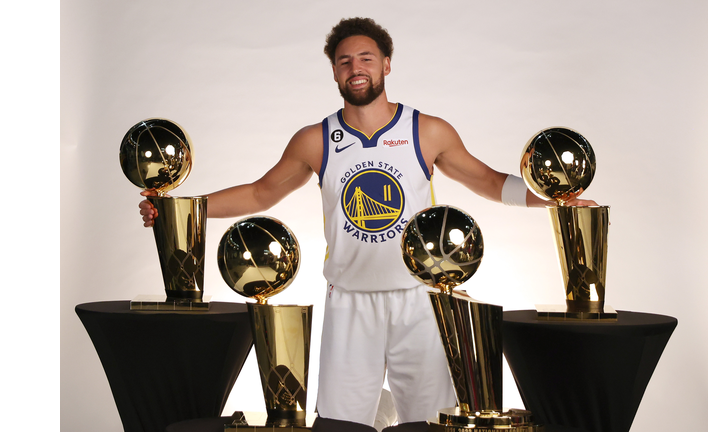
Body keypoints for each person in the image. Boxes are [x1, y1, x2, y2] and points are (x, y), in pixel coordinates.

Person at [139, 17, 595, 432]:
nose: (356, 68)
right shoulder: (316, 139)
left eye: (366, 59)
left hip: (421, 301)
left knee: (430, 422)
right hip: (349, 301)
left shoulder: (426, 130)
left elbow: (488, 180)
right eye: (344, 61)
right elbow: (261, 193)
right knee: (340, 424)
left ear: (386, 65)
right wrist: (182, 208)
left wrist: (554, 202)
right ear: (334, 72)